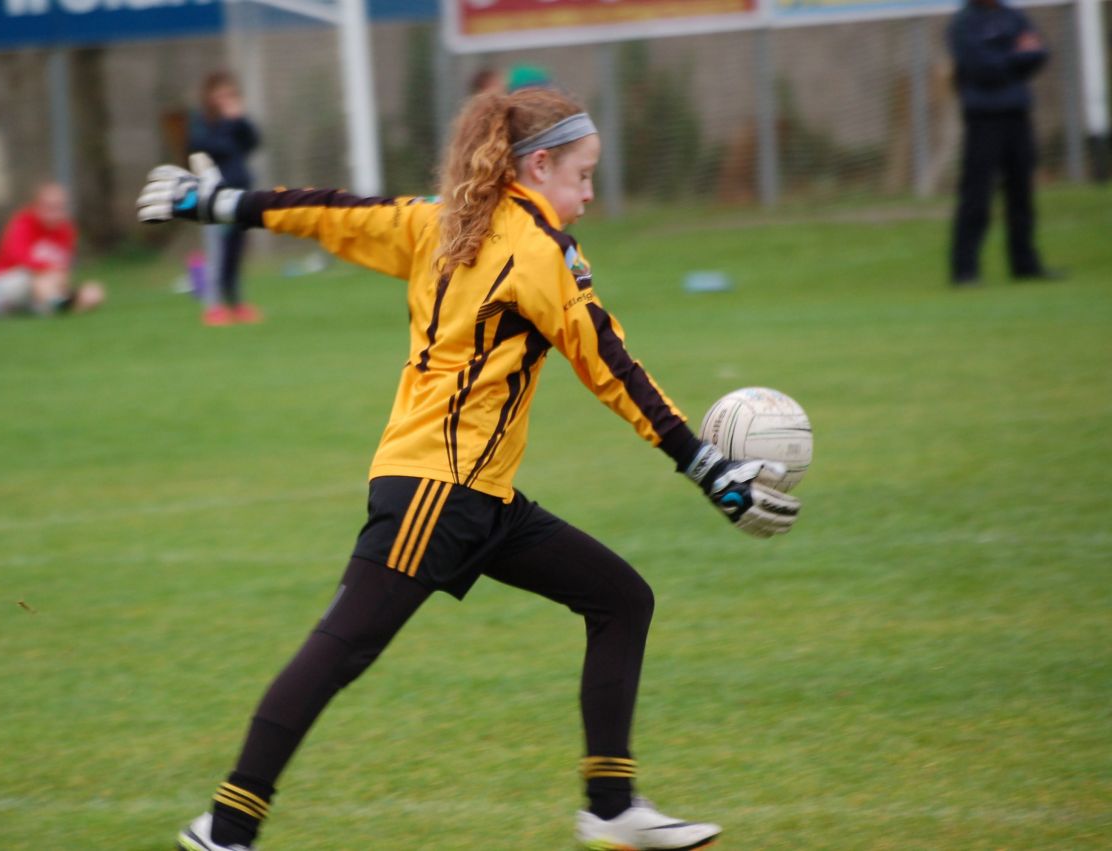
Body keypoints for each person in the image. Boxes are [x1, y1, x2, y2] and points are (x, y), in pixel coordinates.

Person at [138, 87, 801, 851]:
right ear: (539, 164)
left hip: (480, 497)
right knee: (340, 649)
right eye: (582, 176)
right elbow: (609, 364)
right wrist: (708, 466)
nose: (587, 194)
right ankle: (226, 828)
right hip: (437, 490)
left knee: (622, 598)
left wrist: (219, 203)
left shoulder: (438, 218)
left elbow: (331, 210)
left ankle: (612, 807)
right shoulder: (536, 250)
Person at [948, 0, 1059, 286]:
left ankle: (1024, 263)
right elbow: (980, 66)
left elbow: (1038, 52)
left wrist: (1009, 57)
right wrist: (1015, 56)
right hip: (983, 117)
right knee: (977, 194)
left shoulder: (1014, 16)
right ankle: (965, 269)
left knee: (1021, 191)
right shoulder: (965, 22)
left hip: (1017, 113)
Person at [189, 71, 262, 326]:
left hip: (240, 193)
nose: (224, 100)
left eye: (229, 94)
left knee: (235, 253)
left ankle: (236, 302)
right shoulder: (202, 122)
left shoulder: (237, 123)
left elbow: (253, 142)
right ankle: (213, 306)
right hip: (214, 195)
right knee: (217, 251)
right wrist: (229, 125)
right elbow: (206, 147)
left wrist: (239, 121)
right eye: (219, 94)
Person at [0, 183, 105, 316]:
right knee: (39, 279)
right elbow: (19, 257)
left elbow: (64, 266)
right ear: (37, 206)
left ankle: (58, 304)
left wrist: (61, 278)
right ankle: (61, 303)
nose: (55, 212)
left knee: (94, 292)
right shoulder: (23, 223)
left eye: (60, 207)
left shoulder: (66, 230)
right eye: (50, 207)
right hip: (0, 287)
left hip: (42, 287)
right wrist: (50, 270)